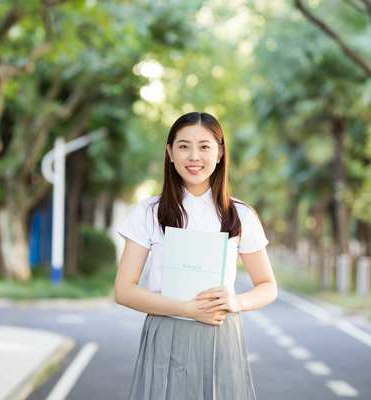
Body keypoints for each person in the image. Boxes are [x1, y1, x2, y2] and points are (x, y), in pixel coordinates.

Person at [115, 111, 277, 400]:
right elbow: (124, 290)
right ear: (170, 152)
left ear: (219, 153)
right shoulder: (148, 212)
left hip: (220, 334)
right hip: (165, 332)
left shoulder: (240, 215)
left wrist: (235, 301)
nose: (194, 156)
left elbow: (267, 285)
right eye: (183, 146)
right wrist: (186, 310)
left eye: (204, 146)